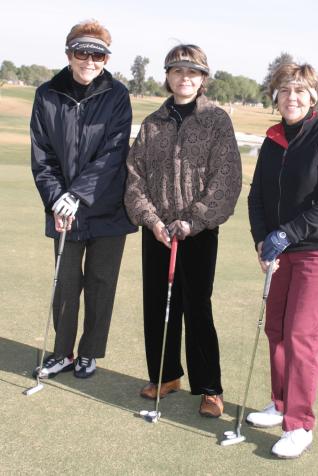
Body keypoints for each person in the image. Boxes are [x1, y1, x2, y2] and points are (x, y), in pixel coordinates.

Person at [125, 44, 242, 417]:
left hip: (198, 231)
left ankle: (209, 388)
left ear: (203, 79)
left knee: (196, 307)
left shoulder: (216, 121)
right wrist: (153, 221)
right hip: (158, 230)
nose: (185, 78)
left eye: (192, 72)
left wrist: (194, 220)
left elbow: (226, 180)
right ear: (168, 76)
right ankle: (165, 375)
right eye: (178, 71)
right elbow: (134, 179)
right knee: (158, 303)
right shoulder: (153, 123)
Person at [247, 63, 318, 458]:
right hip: (279, 250)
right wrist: (262, 241)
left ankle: (300, 423)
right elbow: (256, 195)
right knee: (276, 329)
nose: (292, 97)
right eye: (285, 90)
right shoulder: (273, 139)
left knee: (302, 337)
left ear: (313, 98)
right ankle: (280, 403)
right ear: (275, 97)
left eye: (300, 91)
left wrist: (287, 233)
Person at [31, 20, 137, 379]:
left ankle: (89, 352)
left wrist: (78, 194)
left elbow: (112, 154)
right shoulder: (47, 94)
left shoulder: (117, 95)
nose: (89, 61)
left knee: (100, 283)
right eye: (82, 52)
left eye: (98, 54)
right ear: (68, 54)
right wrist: (58, 197)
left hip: (107, 208)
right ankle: (62, 353)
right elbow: (42, 154)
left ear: (106, 59)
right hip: (63, 209)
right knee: (66, 284)